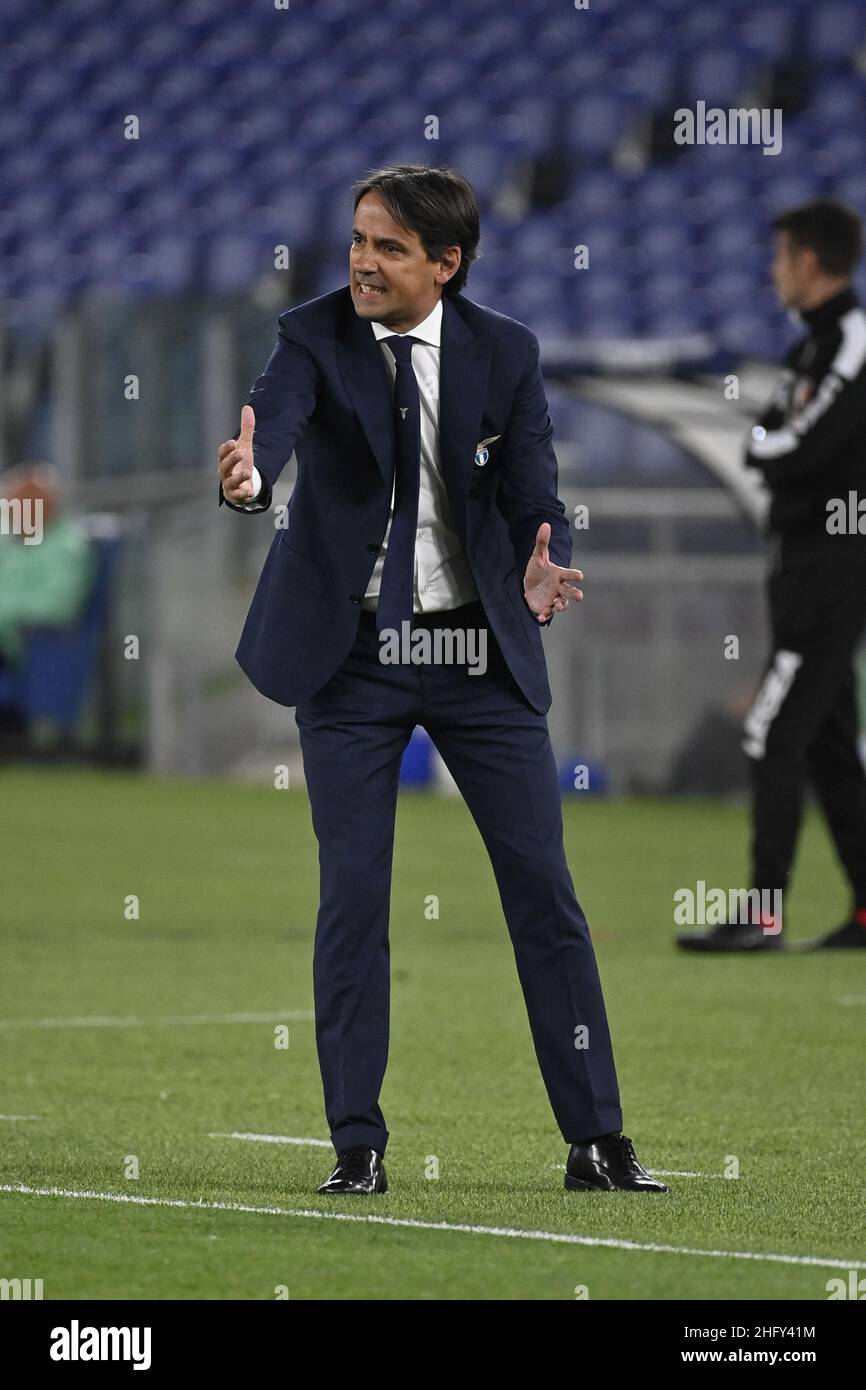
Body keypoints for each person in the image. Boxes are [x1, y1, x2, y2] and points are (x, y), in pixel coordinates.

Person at [218, 164, 666, 1196]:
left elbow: (532, 488)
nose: (362, 262)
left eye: (387, 247)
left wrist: (538, 559)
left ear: (445, 263)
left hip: (475, 657)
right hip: (351, 661)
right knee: (353, 896)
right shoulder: (310, 337)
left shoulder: (504, 351)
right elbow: (267, 432)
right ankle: (356, 1145)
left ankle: (596, 1141)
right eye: (357, 241)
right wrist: (247, 483)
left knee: (545, 893)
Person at [677, 199, 866, 953]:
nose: (772, 270)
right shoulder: (809, 349)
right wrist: (770, 440)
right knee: (825, 743)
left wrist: (769, 443)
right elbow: (775, 435)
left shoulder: (852, 340)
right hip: (803, 568)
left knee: (768, 733)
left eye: (781, 257)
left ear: (811, 262)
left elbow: (796, 445)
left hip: (835, 568)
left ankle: (761, 916)